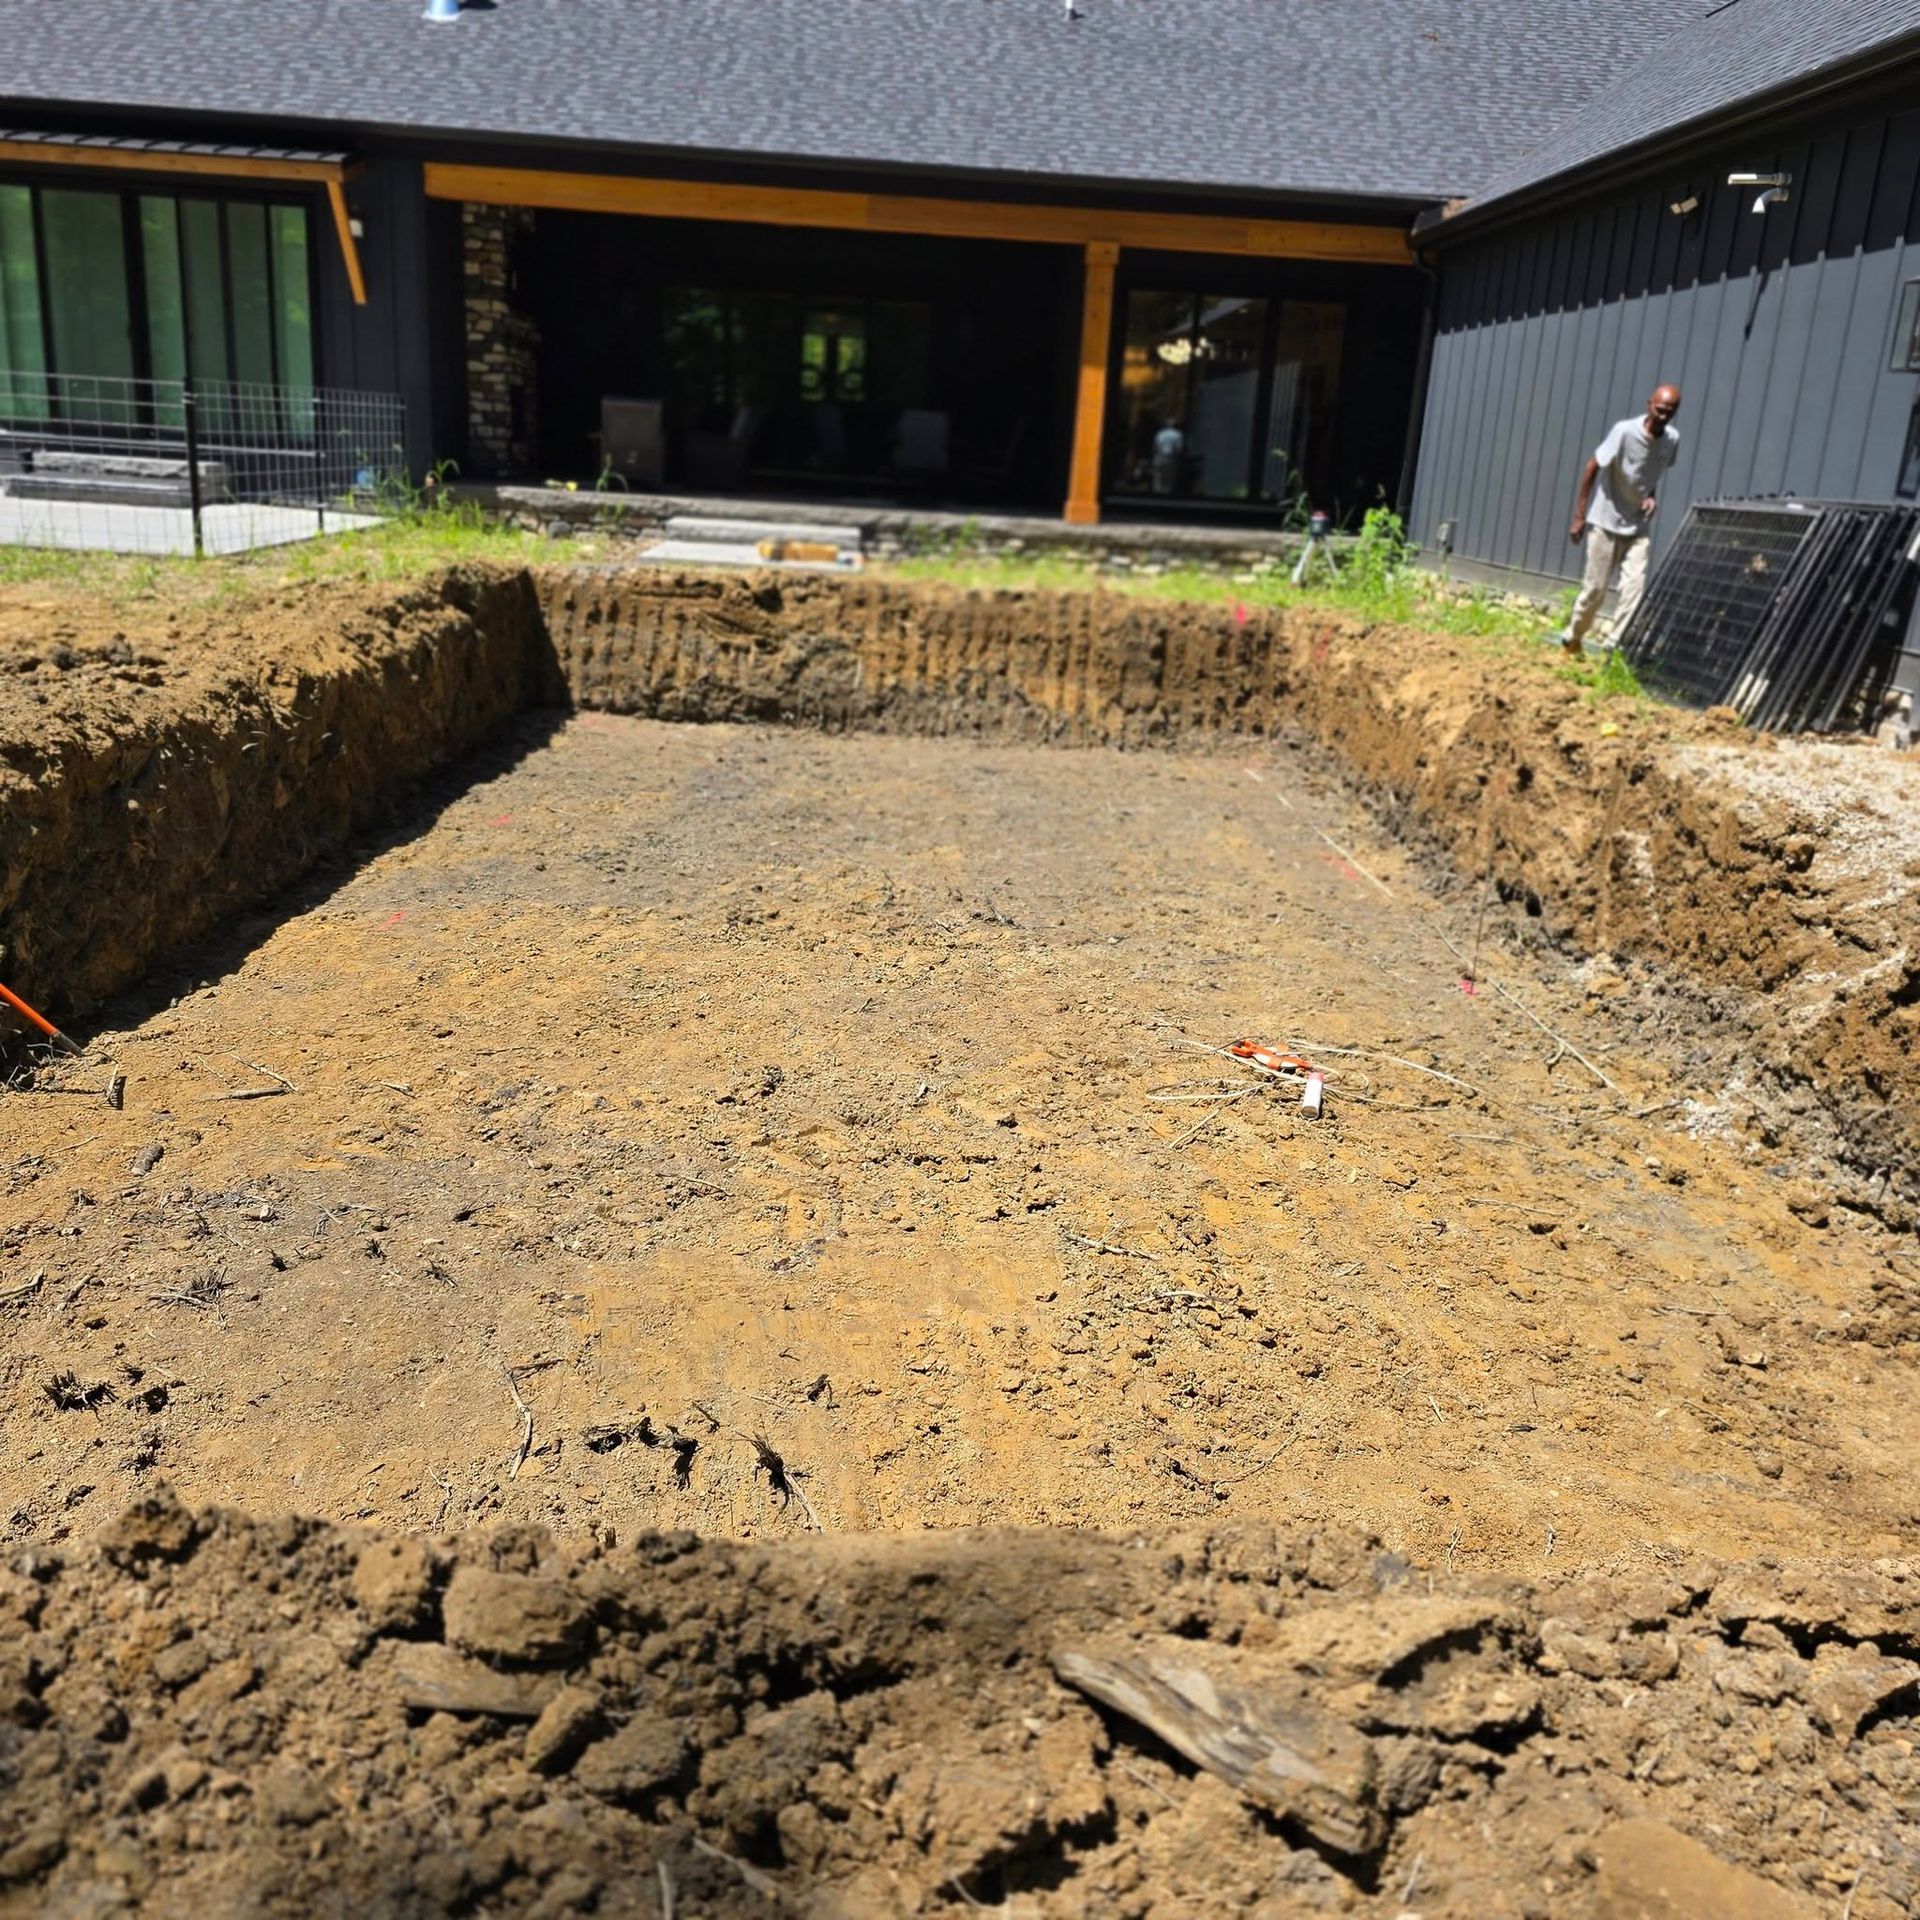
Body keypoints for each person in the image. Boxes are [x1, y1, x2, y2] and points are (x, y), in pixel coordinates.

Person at [1564, 384, 1681, 654]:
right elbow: (1592, 466)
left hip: (1637, 525)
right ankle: (1573, 638)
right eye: (1659, 409)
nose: (1663, 415)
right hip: (1605, 521)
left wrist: (1650, 496)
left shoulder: (1672, 439)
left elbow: (1652, 472)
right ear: (1649, 404)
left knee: (1634, 588)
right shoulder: (1624, 432)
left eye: (1670, 411)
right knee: (1596, 590)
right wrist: (1580, 516)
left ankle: (1613, 647)